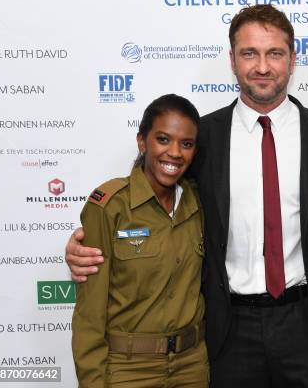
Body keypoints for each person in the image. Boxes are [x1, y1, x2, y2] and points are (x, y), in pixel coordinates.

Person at [67, 4, 308, 388]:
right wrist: (86, 244)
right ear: (232, 60)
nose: (262, 66)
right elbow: (152, 205)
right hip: (225, 330)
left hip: (306, 324)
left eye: (274, 53)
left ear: (293, 59)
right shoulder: (203, 139)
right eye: (249, 53)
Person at [72, 94, 208, 387]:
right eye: (163, 139)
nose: (174, 152)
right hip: (127, 370)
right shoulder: (109, 207)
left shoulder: (200, 202)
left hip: (191, 366)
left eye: (186, 144)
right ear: (142, 142)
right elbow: (89, 315)